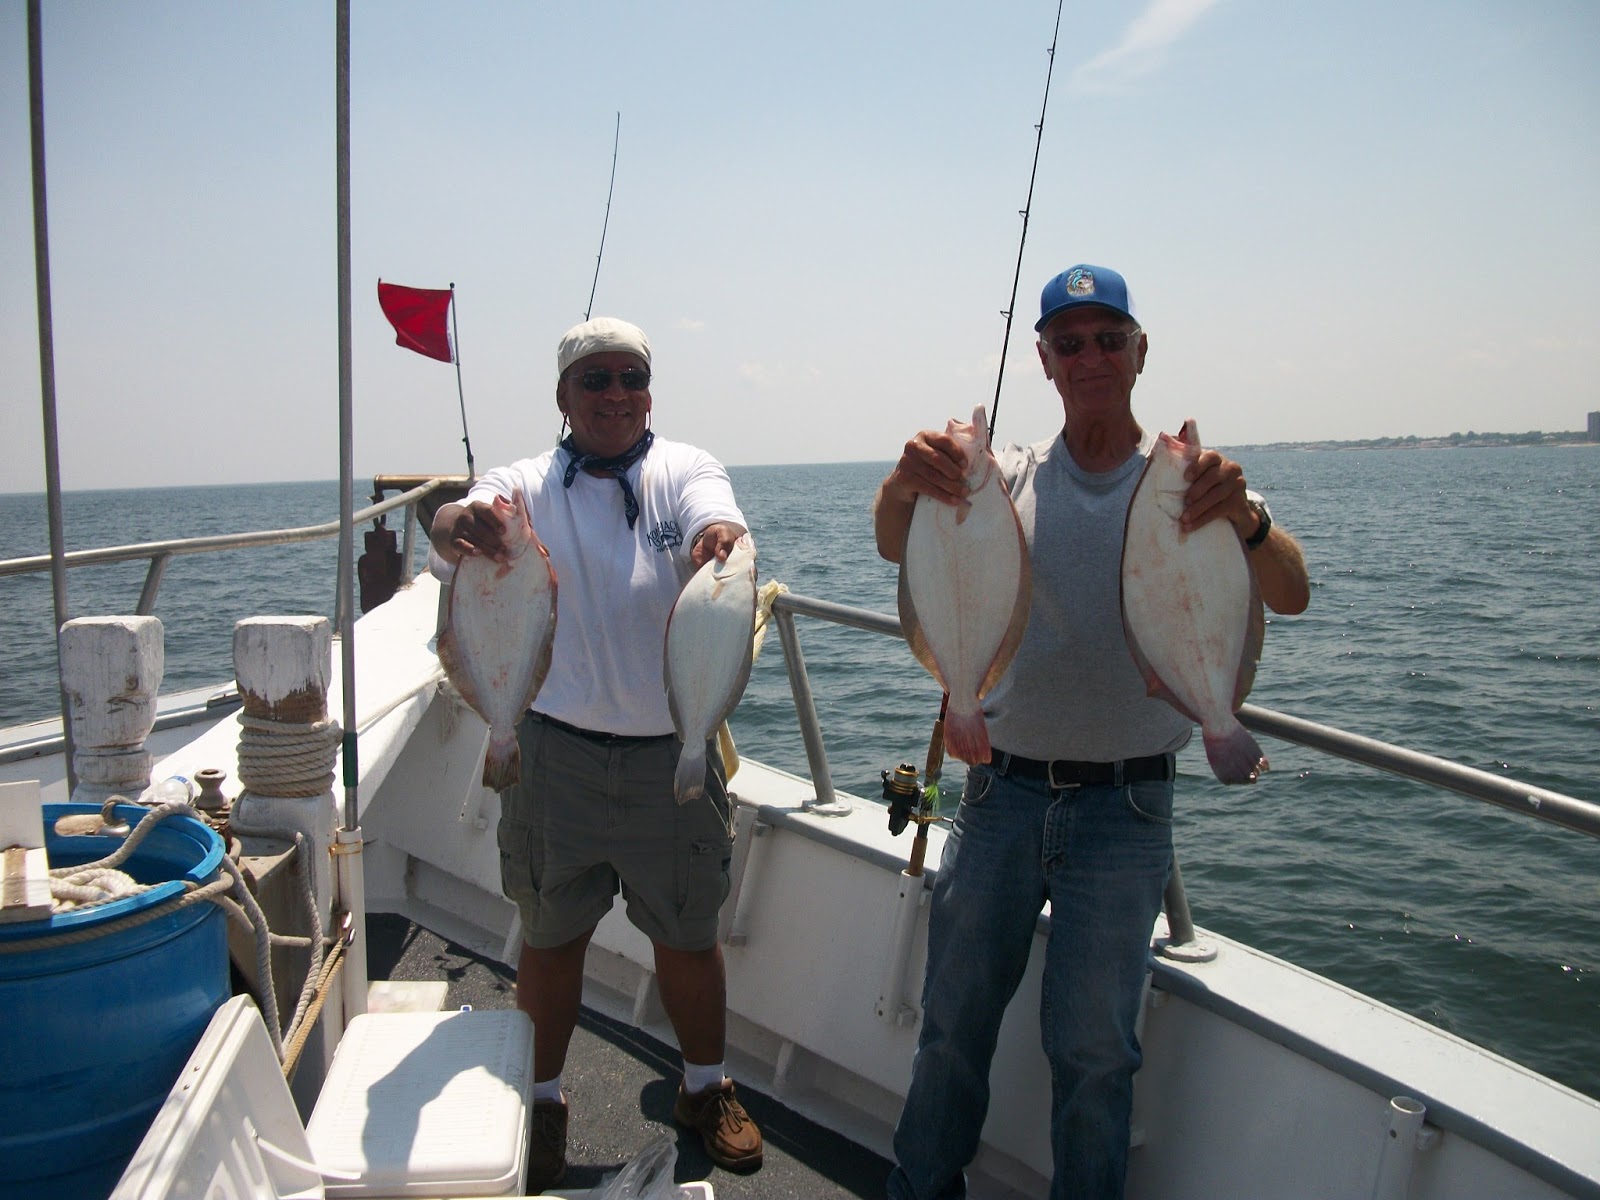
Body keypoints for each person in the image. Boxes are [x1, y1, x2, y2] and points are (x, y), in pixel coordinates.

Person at [873, 265, 1310, 1200]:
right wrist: (903, 484)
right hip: (998, 792)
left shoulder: (1199, 487)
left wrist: (1251, 516)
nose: (1091, 357)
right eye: (1069, 342)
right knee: (952, 1024)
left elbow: (1290, 591)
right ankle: (920, 1186)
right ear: (1043, 360)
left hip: (1127, 807)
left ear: (1140, 351)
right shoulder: (1008, 476)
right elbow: (892, 541)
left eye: (1109, 338)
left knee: (1097, 1053)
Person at [428, 317, 763, 1192]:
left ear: (648, 390)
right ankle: (539, 1102)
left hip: (671, 755)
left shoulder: (684, 469)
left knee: (688, 935)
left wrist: (715, 546)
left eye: (630, 378)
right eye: (595, 381)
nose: (614, 395)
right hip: (552, 751)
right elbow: (448, 520)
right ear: (563, 398)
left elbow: (713, 523)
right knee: (551, 934)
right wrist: (465, 523)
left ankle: (703, 1086)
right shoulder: (525, 486)